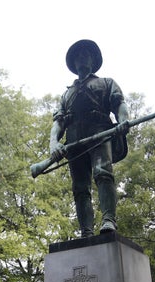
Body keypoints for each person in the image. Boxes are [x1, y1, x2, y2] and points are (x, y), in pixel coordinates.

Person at [49, 39, 130, 237]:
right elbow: (58, 122)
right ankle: (86, 230)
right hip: (74, 140)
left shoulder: (105, 83)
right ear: (74, 63)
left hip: (100, 133)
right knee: (79, 187)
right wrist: (54, 142)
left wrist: (123, 120)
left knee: (103, 173)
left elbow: (119, 104)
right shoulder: (67, 94)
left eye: (85, 54)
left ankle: (109, 220)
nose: (81, 57)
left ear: (93, 60)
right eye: (78, 55)